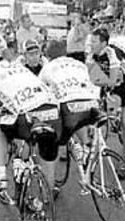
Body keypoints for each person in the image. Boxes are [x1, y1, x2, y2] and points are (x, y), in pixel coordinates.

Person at [0, 49, 61, 205]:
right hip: (52, 110)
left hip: (24, 114)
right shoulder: (21, 68)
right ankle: (48, 192)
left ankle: (1, 178)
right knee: (46, 154)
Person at [39, 40, 101, 195]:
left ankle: (49, 192)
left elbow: (41, 95)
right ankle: (85, 148)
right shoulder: (79, 64)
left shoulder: (47, 67)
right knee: (79, 119)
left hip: (69, 108)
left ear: (48, 55)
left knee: (50, 147)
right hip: (92, 104)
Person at [87, 28, 125, 172]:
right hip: (114, 82)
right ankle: (95, 152)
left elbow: (111, 81)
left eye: (94, 41)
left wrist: (96, 82)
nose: (90, 44)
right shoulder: (92, 55)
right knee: (101, 114)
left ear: (103, 43)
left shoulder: (112, 53)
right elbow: (87, 76)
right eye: (90, 40)